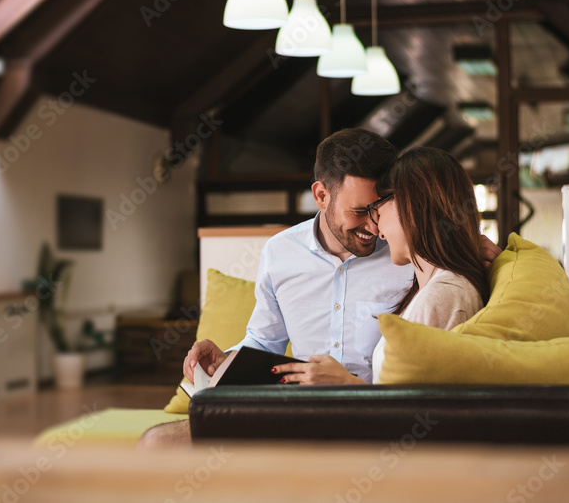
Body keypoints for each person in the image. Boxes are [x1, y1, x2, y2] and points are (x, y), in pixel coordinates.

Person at [137, 133, 499, 447]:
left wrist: (465, 246)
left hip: (366, 423)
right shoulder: (280, 252)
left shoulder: (408, 257)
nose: (374, 227)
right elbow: (264, 343)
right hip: (297, 408)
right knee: (161, 442)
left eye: (380, 209)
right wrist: (225, 358)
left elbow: (431, 387)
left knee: (159, 445)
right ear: (321, 195)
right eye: (360, 211)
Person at [274, 146, 491, 385]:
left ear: (411, 208)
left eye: (377, 211)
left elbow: (413, 409)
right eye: (361, 212)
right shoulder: (434, 289)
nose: (377, 231)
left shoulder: (443, 295)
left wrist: (348, 385)